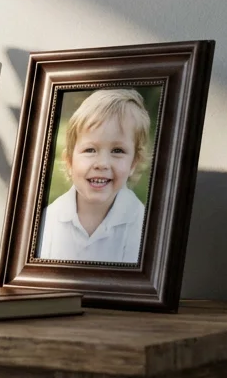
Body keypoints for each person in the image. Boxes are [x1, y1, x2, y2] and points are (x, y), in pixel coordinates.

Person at [38, 89, 149, 263]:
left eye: (117, 151)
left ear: (133, 163)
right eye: (90, 150)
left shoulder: (141, 226)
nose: (102, 163)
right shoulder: (48, 219)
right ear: (69, 160)